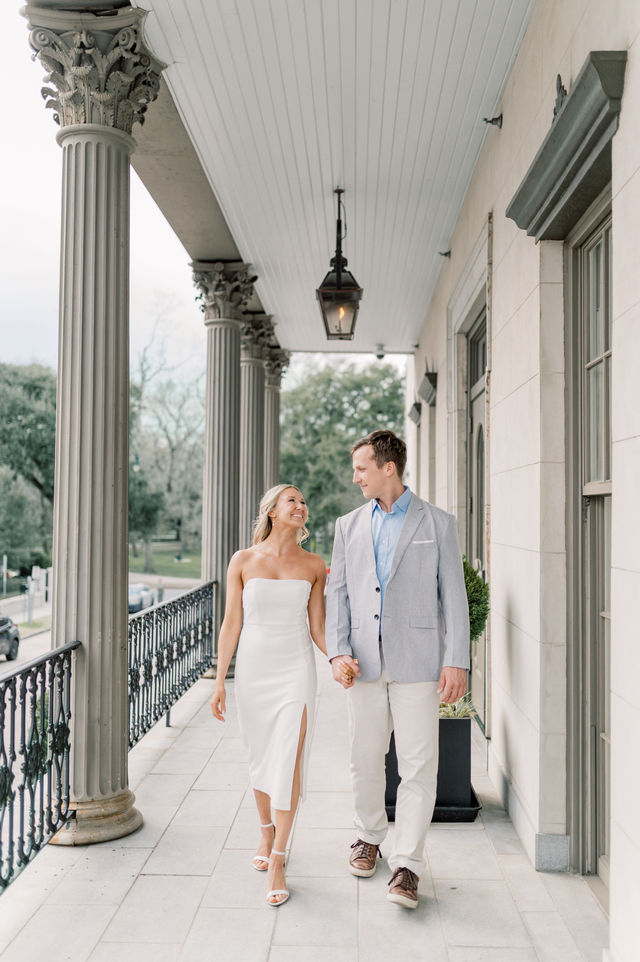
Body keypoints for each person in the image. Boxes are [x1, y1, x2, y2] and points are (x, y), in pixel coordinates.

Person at [326, 429, 469, 908]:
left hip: (419, 663)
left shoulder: (439, 524)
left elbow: (455, 597)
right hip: (361, 664)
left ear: (389, 468)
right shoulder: (347, 525)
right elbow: (339, 594)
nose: (356, 477)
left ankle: (406, 865)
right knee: (363, 757)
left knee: (418, 765)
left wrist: (457, 659)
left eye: (362, 468)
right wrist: (337, 650)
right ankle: (368, 836)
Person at [210, 484, 327, 906]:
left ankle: (279, 856)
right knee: (260, 755)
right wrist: (221, 679)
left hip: (296, 669)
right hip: (255, 670)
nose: (301, 505)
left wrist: (339, 658)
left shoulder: (314, 564)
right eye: (291, 500)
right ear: (272, 512)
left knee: (289, 760)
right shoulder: (242, 560)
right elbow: (231, 624)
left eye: (303, 500)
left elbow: (318, 628)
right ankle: (265, 832)